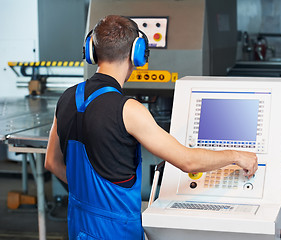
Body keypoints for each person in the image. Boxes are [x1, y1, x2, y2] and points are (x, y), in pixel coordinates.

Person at [45, 15, 258, 240]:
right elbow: (188, 161)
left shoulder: (67, 97)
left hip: (79, 224)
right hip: (116, 230)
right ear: (137, 53)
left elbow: (52, 162)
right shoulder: (129, 110)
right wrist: (236, 155)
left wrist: (90, 193)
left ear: (91, 50)